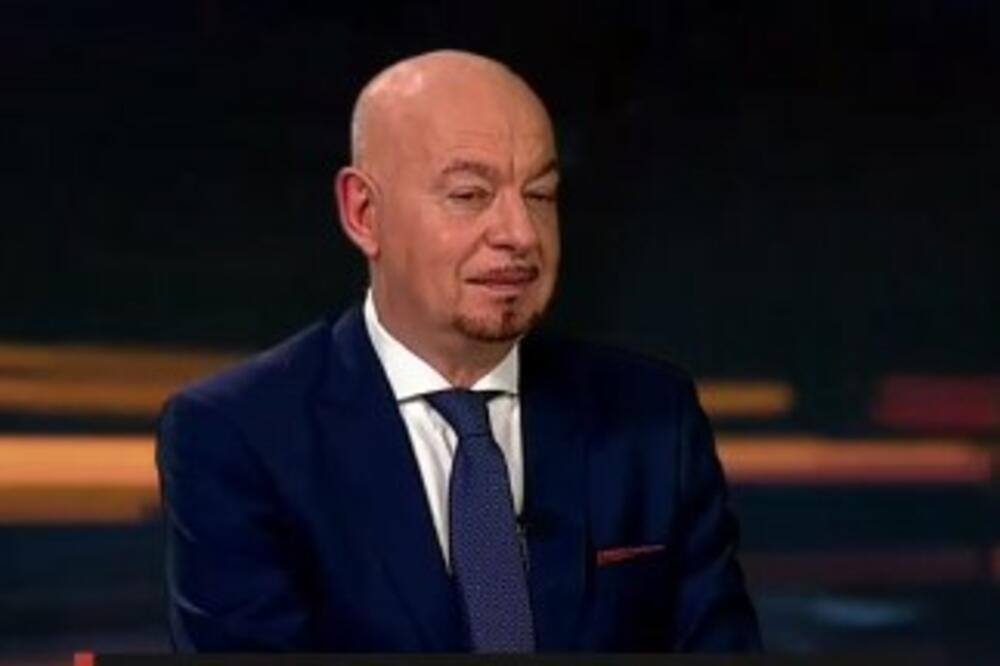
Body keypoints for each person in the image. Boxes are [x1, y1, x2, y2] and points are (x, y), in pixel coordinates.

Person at [156, 50, 762, 653]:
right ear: (363, 213)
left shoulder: (654, 417)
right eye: (470, 195)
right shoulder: (238, 435)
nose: (520, 234)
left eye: (540, 195)